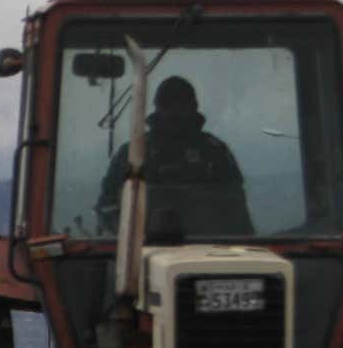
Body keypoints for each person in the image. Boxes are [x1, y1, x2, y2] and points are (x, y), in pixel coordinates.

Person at [97, 75, 254, 238]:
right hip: (138, 253)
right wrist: (135, 232)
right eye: (167, 104)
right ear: (157, 107)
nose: (174, 110)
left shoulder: (215, 153)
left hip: (210, 253)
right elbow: (108, 207)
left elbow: (237, 213)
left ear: (194, 107)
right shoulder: (133, 154)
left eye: (181, 103)